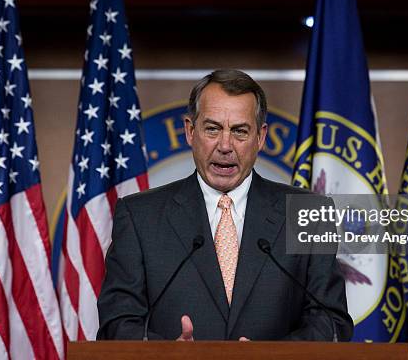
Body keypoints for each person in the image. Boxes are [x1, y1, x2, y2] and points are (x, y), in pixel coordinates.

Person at [97, 69, 353, 341]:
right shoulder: (139, 217)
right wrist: (169, 354)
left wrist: (271, 357)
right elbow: (117, 322)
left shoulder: (308, 213)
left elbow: (330, 320)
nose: (225, 145)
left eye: (240, 131)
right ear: (190, 131)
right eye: (212, 128)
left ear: (260, 137)